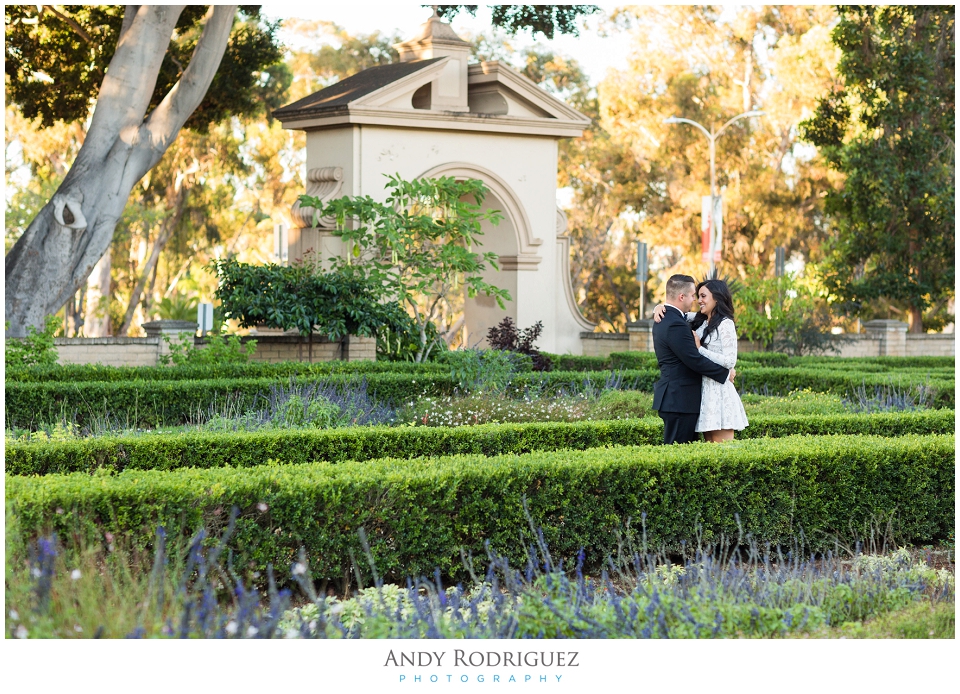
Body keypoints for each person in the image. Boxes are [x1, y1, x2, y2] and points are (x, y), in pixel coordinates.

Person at [653, 278, 749, 442]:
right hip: (704, 393)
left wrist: (700, 350)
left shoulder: (725, 324)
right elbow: (677, 313)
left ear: (717, 298)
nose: (698, 301)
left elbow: (729, 361)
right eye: (696, 296)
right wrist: (659, 307)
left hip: (718, 392)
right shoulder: (701, 321)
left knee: (721, 453)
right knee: (704, 454)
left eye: (703, 296)